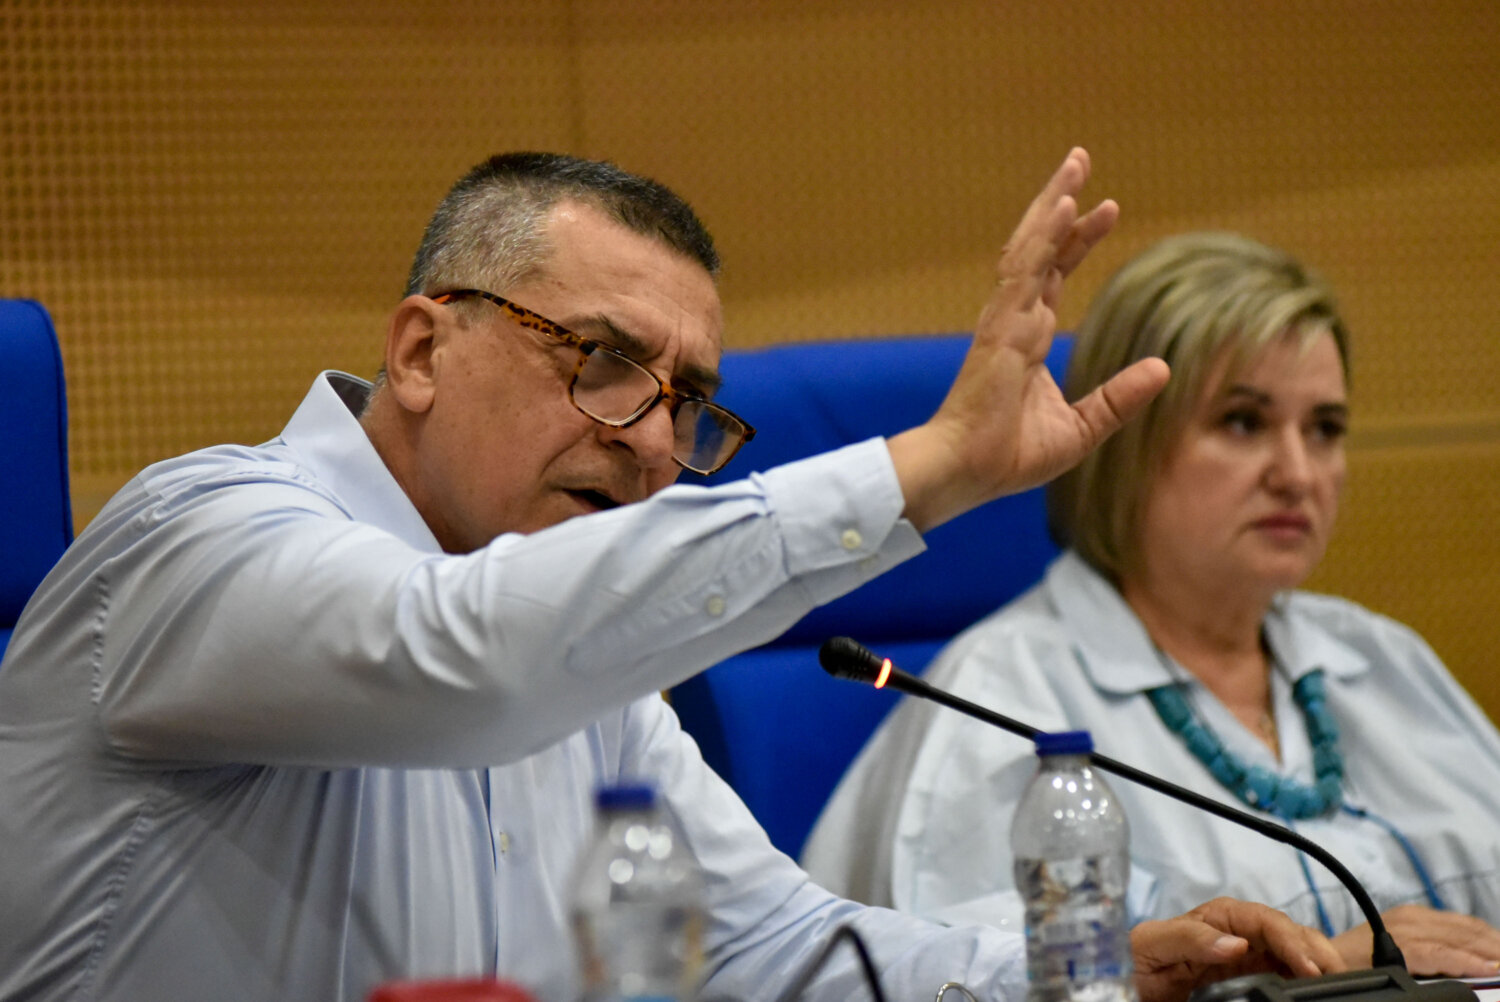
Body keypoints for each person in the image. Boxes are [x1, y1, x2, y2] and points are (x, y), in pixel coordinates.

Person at [0, 154, 1341, 1002]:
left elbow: (769, 949)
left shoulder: (582, 650)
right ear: (419, 351)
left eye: (689, 400)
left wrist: (1079, 973)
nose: (652, 441)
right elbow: (464, 658)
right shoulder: (196, 539)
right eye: (600, 362)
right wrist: (930, 467)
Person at [802, 231, 1500, 977]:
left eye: (1324, 428)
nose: (1299, 474)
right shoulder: (1001, 697)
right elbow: (967, 981)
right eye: (1243, 422)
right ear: (1125, 443)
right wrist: (1323, 977)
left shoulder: (1384, 657)